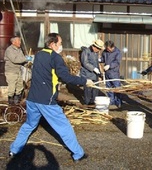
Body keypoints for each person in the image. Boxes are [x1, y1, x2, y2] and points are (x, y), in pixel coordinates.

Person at [9, 33, 93, 162]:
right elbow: (65, 77)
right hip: (46, 100)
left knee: (29, 124)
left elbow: (49, 74)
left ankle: (14, 150)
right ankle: (78, 153)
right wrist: (84, 81)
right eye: (59, 44)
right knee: (64, 126)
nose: (61, 46)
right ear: (52, 44)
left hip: (32, 98)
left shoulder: (38, 55)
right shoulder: (55, 57)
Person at [4, 36, 32, 105]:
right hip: (11, 72)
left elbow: (21, 60)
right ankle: (10, 103)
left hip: (18, 71)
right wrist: (26, 58)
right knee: (12, 88)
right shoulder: (9, 50)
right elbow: (15, 60)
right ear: (13, 42)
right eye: (18, 41)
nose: (20, 42)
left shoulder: (19, 50)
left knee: (20, 87)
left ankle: (17, 102)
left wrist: (27, 65)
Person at [80, 39, 104, 105]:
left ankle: (93, 103)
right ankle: (86, 104)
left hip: (95, 75)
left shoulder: (96, 53)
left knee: (95, 90)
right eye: (98, 49)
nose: (98, 50)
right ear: (94, 46)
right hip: (87, 74)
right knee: (88, 90)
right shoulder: (86, 51)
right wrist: (93, 68)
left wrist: (99, 74)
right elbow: (85, 63)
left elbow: (96, 63)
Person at [100, 40, 122, 108]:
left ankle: (118, 102)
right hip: (107, 73)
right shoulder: (105, 52)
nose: (107, 50)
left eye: (108, 48)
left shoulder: (117, 52)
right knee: (108, 88)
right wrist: (99, 60)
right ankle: (111, 101)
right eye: (106, 48)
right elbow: (103, 59)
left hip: (114, 73)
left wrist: (110, 65)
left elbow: (117, 62)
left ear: (112, 47)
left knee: (117, 88)